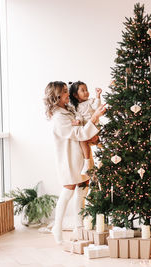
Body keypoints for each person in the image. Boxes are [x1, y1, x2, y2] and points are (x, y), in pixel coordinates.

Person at [43, 81, 106, 244]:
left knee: (83, 189)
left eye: (67, 91)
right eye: (64, 92)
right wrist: (95, 117)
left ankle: (79, 227)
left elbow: (83, 128)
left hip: (81, 156)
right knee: (69, 190)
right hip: (69, 159)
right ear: (56, 96)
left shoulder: (69, 110)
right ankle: (57, 226)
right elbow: (79, 133)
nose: (67, 94)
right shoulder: (58, 117)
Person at [69, 81, 102, 175]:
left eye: (86, 90)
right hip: (86, 129)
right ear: (75, 95)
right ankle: (87, 162)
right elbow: (78, 116)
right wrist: (77, 121)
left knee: (98, 141)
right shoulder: (76, 107)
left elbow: (97, 106)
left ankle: (105, 154)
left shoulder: (90, 101)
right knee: (82, 141)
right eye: (83, 90)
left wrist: (98, 96)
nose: (86, 92)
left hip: (94, 127)